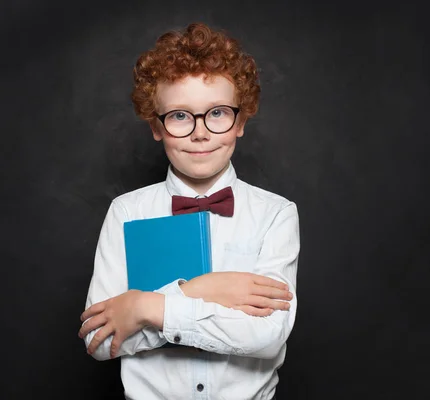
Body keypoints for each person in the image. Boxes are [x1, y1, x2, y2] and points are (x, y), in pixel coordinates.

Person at [78, 22, 300, 400]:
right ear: (156, 127)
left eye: (217, 113)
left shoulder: (275, 214)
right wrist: (203, 290)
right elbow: (100, 340)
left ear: (240, 122)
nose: (200, 133)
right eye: (180, 116)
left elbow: (266, 335)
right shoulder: (126, 212)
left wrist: (146, 306)